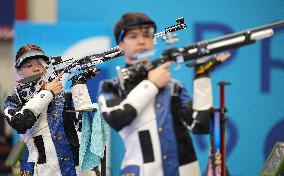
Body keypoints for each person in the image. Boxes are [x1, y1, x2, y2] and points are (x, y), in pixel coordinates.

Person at [97, 12, 231, 176]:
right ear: (120, 45)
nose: (141, 41)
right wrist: (151, 84)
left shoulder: (173, 86)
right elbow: (116, 118)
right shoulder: (112, 86)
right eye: (133, 36)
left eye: (147, 35)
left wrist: (201, 75)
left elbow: (201, 126)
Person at [3, 44, 98, 176]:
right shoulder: (14, 100)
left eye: (39, 64)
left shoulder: (64, 96)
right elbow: (21, 123)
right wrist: (47, 92)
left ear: (46, 67)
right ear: (18, 71)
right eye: (29, 65)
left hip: (73, 170)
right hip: (41, 170)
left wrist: (78, 85)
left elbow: (86, 125)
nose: (36, 68)